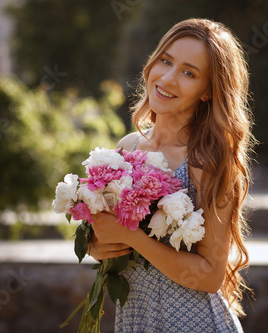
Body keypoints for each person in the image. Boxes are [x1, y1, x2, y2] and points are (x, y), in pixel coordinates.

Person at [88, 18, 255, 332]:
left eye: (189, 73)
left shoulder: (208, 162)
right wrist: (98, 245)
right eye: (166, 61)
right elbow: (115, 247)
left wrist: (129, 236)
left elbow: (208, 276)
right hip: (136, 322)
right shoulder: (128, 147)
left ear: (208, 91)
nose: (167, 78)